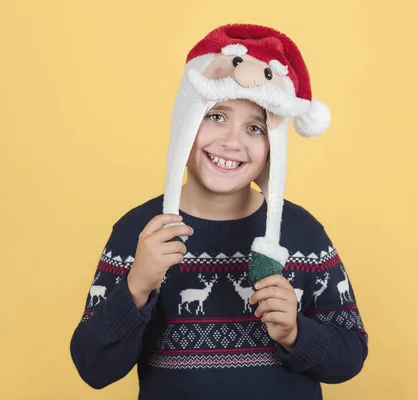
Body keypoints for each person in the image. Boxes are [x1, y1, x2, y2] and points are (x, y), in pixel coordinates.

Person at [70, 23, 368, 400]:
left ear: (273, 144)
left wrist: (296, 334)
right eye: (217, 116)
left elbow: (351, 356)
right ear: (187, 121)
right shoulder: (139, 234)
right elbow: (92, 368)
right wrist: (137, 285)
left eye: (256, 128)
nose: (232, 142)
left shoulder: (304, 234)